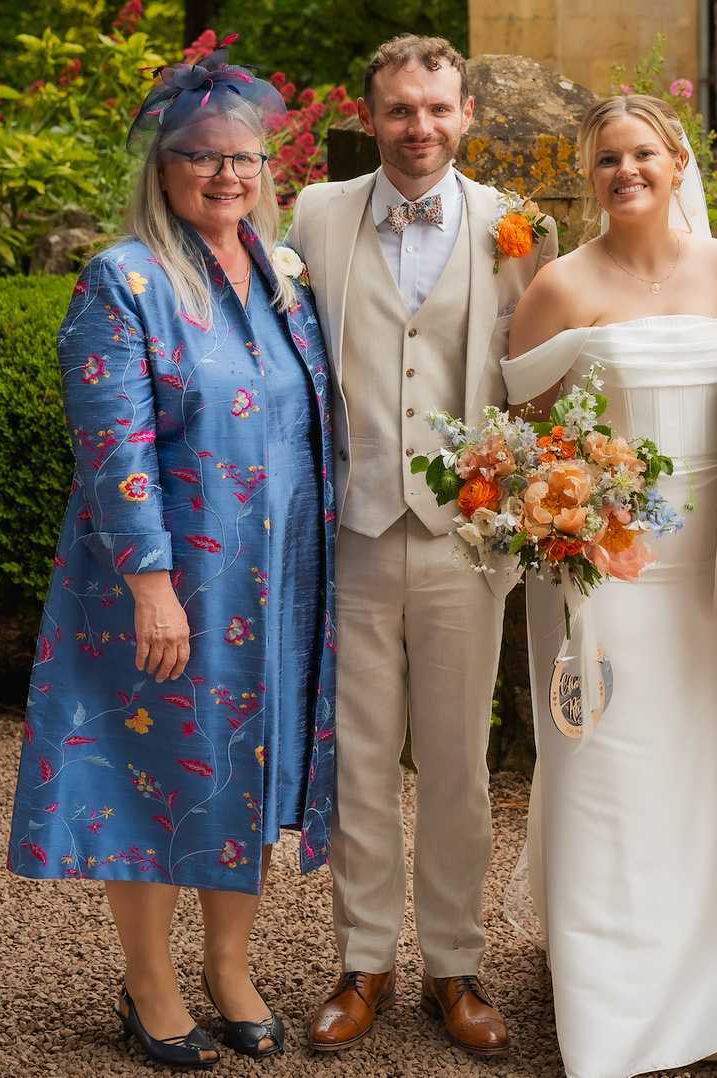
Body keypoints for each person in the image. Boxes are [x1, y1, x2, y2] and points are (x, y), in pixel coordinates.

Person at [7, 41, 336, 1069]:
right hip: (164, 580)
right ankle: (148, 983)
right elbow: (113, 445)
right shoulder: (125, 279)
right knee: (148, 771)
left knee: (251, 761)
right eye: (202, 156)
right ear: (163, 167)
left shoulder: (280, 274)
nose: (225, 174)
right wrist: (151, 586)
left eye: (243, 157)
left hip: (273, 583)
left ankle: (230, 966)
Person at [286, 34, 556, 1055]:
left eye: (438, 108)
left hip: (464, 538)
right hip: (351, 530)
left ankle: (455, 963)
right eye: (399, 109)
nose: (419, 127)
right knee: (358, 760)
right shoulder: (314, 215)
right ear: (369, 116)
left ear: (466, 114)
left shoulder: (517, 228)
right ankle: (364, 960)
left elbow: (538, 376)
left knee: (457, 763)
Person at [503, 93, 717, 1078]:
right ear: (588, 177)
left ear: (677, 162)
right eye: (605, 159)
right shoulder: (561, 286)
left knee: (700, 778)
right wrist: (567, 515)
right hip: (608, 573)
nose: (625, 172)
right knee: (610, 774)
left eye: (643, 154)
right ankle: (617, 1017)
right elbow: (522, 438)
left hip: (707, 571)